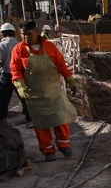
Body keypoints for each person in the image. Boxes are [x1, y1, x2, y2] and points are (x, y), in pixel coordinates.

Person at [11, 21, 78, 162]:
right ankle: (48, 150)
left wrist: (70, 79)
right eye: (23, 34)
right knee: (41, 124)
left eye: (29, 34)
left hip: (53, 91)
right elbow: (15, 70)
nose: (26, 37)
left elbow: (61, 64)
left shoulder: (50, 47)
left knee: (61, 118)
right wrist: (20, 85)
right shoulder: (18, 50)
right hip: (34, 94)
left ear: (37, 31)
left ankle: (64, 145)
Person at [0, 23, 31, 125]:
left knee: (3, 99)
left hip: (6, 75)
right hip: (19, 75)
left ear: (3, 34)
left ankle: (2, 121)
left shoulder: (2, 46)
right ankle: (29, 118)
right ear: (13, 33)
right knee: (24, 97)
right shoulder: (19, 45)